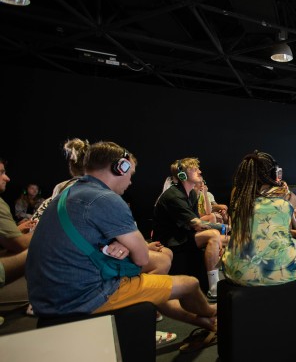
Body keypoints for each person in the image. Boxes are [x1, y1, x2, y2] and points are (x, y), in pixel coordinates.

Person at [26, 142, 216, 335]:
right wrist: (130, 246)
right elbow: (141, 257)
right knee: (189, 284)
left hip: (48, 298)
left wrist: (122, 245)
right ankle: (213, 312)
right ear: (120, 168)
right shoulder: (106, 198)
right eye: (130, 174)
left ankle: (205, 323)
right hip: (83, 296)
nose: (130, 182)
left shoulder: (65, 194)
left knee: (156, 285)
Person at [222, 151, 296, 289]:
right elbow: (280, 229)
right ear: (274, 174)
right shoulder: (288, 197)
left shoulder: (236, 195)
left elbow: (263, 227)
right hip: (282, 271)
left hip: (237, 272)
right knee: (293, 263)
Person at [153, 157, 224, 301]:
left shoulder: (191, 193)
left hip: (184, 236)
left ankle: (227, 276)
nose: (200, 171)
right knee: (215, 234)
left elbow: (196, 224)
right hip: (171, 241)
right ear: (182, 175)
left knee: (227, 239)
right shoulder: (173, 196)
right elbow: (197, 224)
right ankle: (214, 288)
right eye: (195, 169)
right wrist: (224, 227)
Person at [0, 158, 34, 254]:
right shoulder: (20, 201)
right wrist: (40, 231)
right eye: (1, 173)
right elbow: (21, 245)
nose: (7, 178)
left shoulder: (40, 200)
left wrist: (16, 229)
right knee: (31, 253)